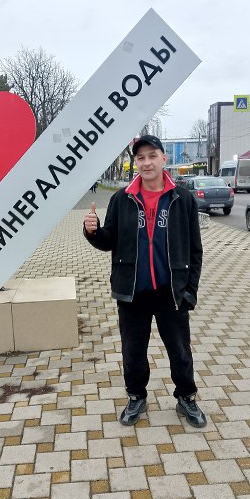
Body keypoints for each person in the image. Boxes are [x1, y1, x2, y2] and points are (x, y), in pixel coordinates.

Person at [83, 135, 206, 427]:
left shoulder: (182, 199)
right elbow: (108, 241)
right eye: (141, 158)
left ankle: (186, 397)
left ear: (164, 158)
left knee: (180, 351)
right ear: (135, 163)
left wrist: (189, 290)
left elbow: (195, 249)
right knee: (133, 352)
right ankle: (136, 396)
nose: (146, 162)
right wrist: (93, 231)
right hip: (133, 292)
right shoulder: (121, 199)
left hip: (170, 292)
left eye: (152, 156)